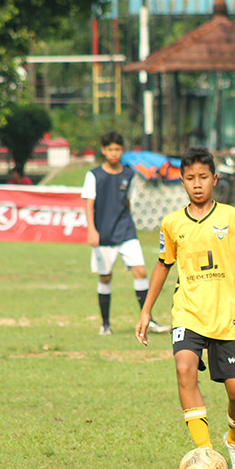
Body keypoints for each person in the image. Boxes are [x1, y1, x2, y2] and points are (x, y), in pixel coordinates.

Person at [135, 147, 235, 469]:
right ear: (181, 182)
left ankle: (234, 442)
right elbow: (162, 265)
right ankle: (206, 454)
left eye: (203, 178)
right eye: (189, 179)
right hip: (188, 313)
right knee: (184, 368)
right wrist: (145, 311)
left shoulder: (232, 217)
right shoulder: (172, 224)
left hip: (227, 316)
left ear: (215, 179)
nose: (197, 184)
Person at [82, 132, 169, 335]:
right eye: (110, 149)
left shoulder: (129, 174)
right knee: (105, 278)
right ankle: (105, 324)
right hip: (103, 233)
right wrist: (91, 230)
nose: (114, 153)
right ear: (104, 151)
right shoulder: (94, 175)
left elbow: (128, 202)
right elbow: (89, 204)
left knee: (141, 271)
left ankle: (149, 319)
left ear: (123, 151)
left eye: (118, 149)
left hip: (126, 231)